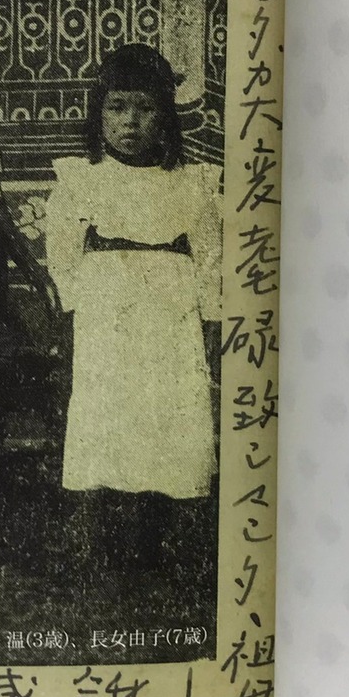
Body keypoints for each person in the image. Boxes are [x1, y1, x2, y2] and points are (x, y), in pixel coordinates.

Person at [44, 44, 222, 577]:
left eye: (145, 109)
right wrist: (76, 309)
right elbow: (62, 254)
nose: (130, 122)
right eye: (117, 108)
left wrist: (211, 315)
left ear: (164, 116)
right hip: (108, 310)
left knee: (167, 412)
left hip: (171, 310)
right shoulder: (82, 179)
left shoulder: (192, 182)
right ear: (99, 114)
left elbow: (211, 256)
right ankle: (101, 541)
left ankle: (159, 538)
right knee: (109, 414)